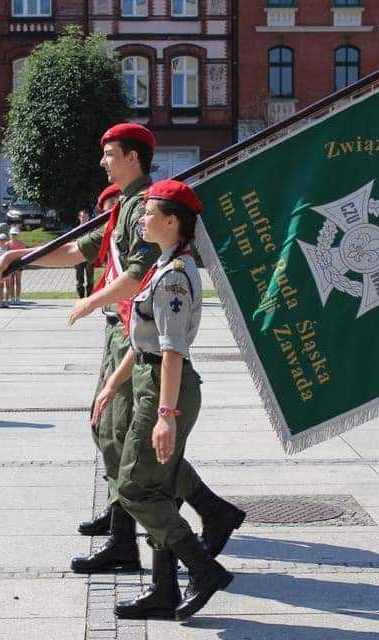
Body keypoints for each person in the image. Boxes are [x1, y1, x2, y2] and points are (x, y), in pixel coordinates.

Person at [0, 123, 244, 577]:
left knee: (122, 438)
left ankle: (159, 531)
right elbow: (81, 252)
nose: (103, 162)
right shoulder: (124, 206)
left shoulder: (147, 207)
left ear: (133, 159)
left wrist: (90, 301)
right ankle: (168, 523)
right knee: (112, 432)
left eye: (110, 154)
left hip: (132, 332)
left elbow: (138, 276)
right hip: (119, 332)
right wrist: (20, 256)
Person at [93, 180, 232, 621]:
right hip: (150, 378)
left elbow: (171, 350)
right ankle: (164, 589)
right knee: (157, 487)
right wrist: (114, 384)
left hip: (165, 386)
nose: (143, 219)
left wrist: (166, 416)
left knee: (134, 487)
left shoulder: (173, 277)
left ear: (173, 222)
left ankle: (204, 569)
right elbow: (143, 341)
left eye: (151, 213)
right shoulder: (164, 265)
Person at [74, 209, 94, 299]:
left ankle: (89, 297)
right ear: (79, 218)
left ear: (89, 218)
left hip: (89, 256)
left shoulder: (93, 229)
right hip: (78, 257)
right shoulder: (75, 231)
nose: (84, 219)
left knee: (90, 279)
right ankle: (81, 297)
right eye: (82, 217)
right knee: (79, 279)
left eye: (86, 217)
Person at [6, 227, 25, 304]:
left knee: (18, 282)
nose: (13, 236)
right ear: (10, 235)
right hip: (10, 265)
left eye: (15, 234)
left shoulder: (21, 244)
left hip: (18, 264)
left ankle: (17, 298)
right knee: (11, 282)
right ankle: (12, 298)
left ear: (18, 235)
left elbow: (24, 254)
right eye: (12, 234)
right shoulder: (7, 244)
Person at [0, 233, 12, 308]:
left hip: (7, 269)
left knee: (7, 285)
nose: (2, 241)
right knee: (1, 285)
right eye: (0, 239)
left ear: (6, 240)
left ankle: (6, 301)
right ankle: (1, 301)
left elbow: (11, 260)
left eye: (4, 239)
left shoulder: (9, 250)